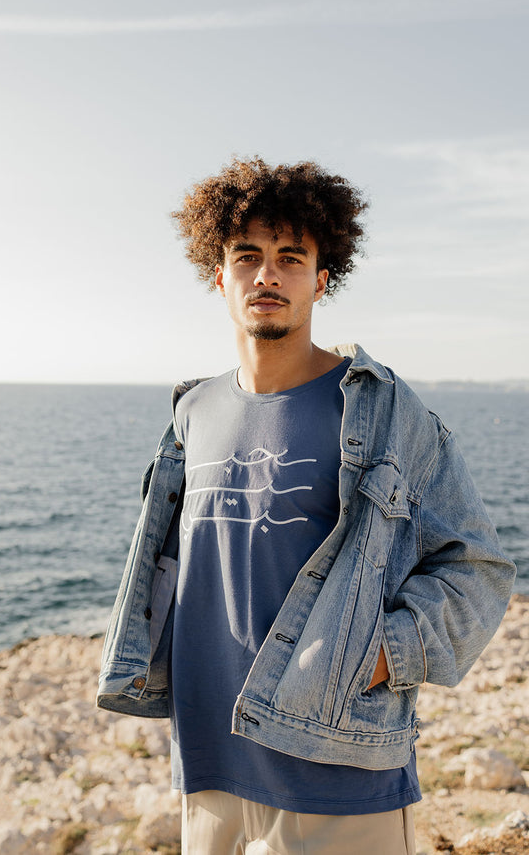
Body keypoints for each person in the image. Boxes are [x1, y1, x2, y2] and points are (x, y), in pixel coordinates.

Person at [98, 158, 516, 854]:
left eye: (291, 258)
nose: (268, 275)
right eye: (248, 257)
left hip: (339, 776)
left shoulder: (382, 410)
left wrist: (380, 655)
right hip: (206, 769)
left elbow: (478, 567)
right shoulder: (191, 413)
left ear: (322, 280)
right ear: (219, 275)